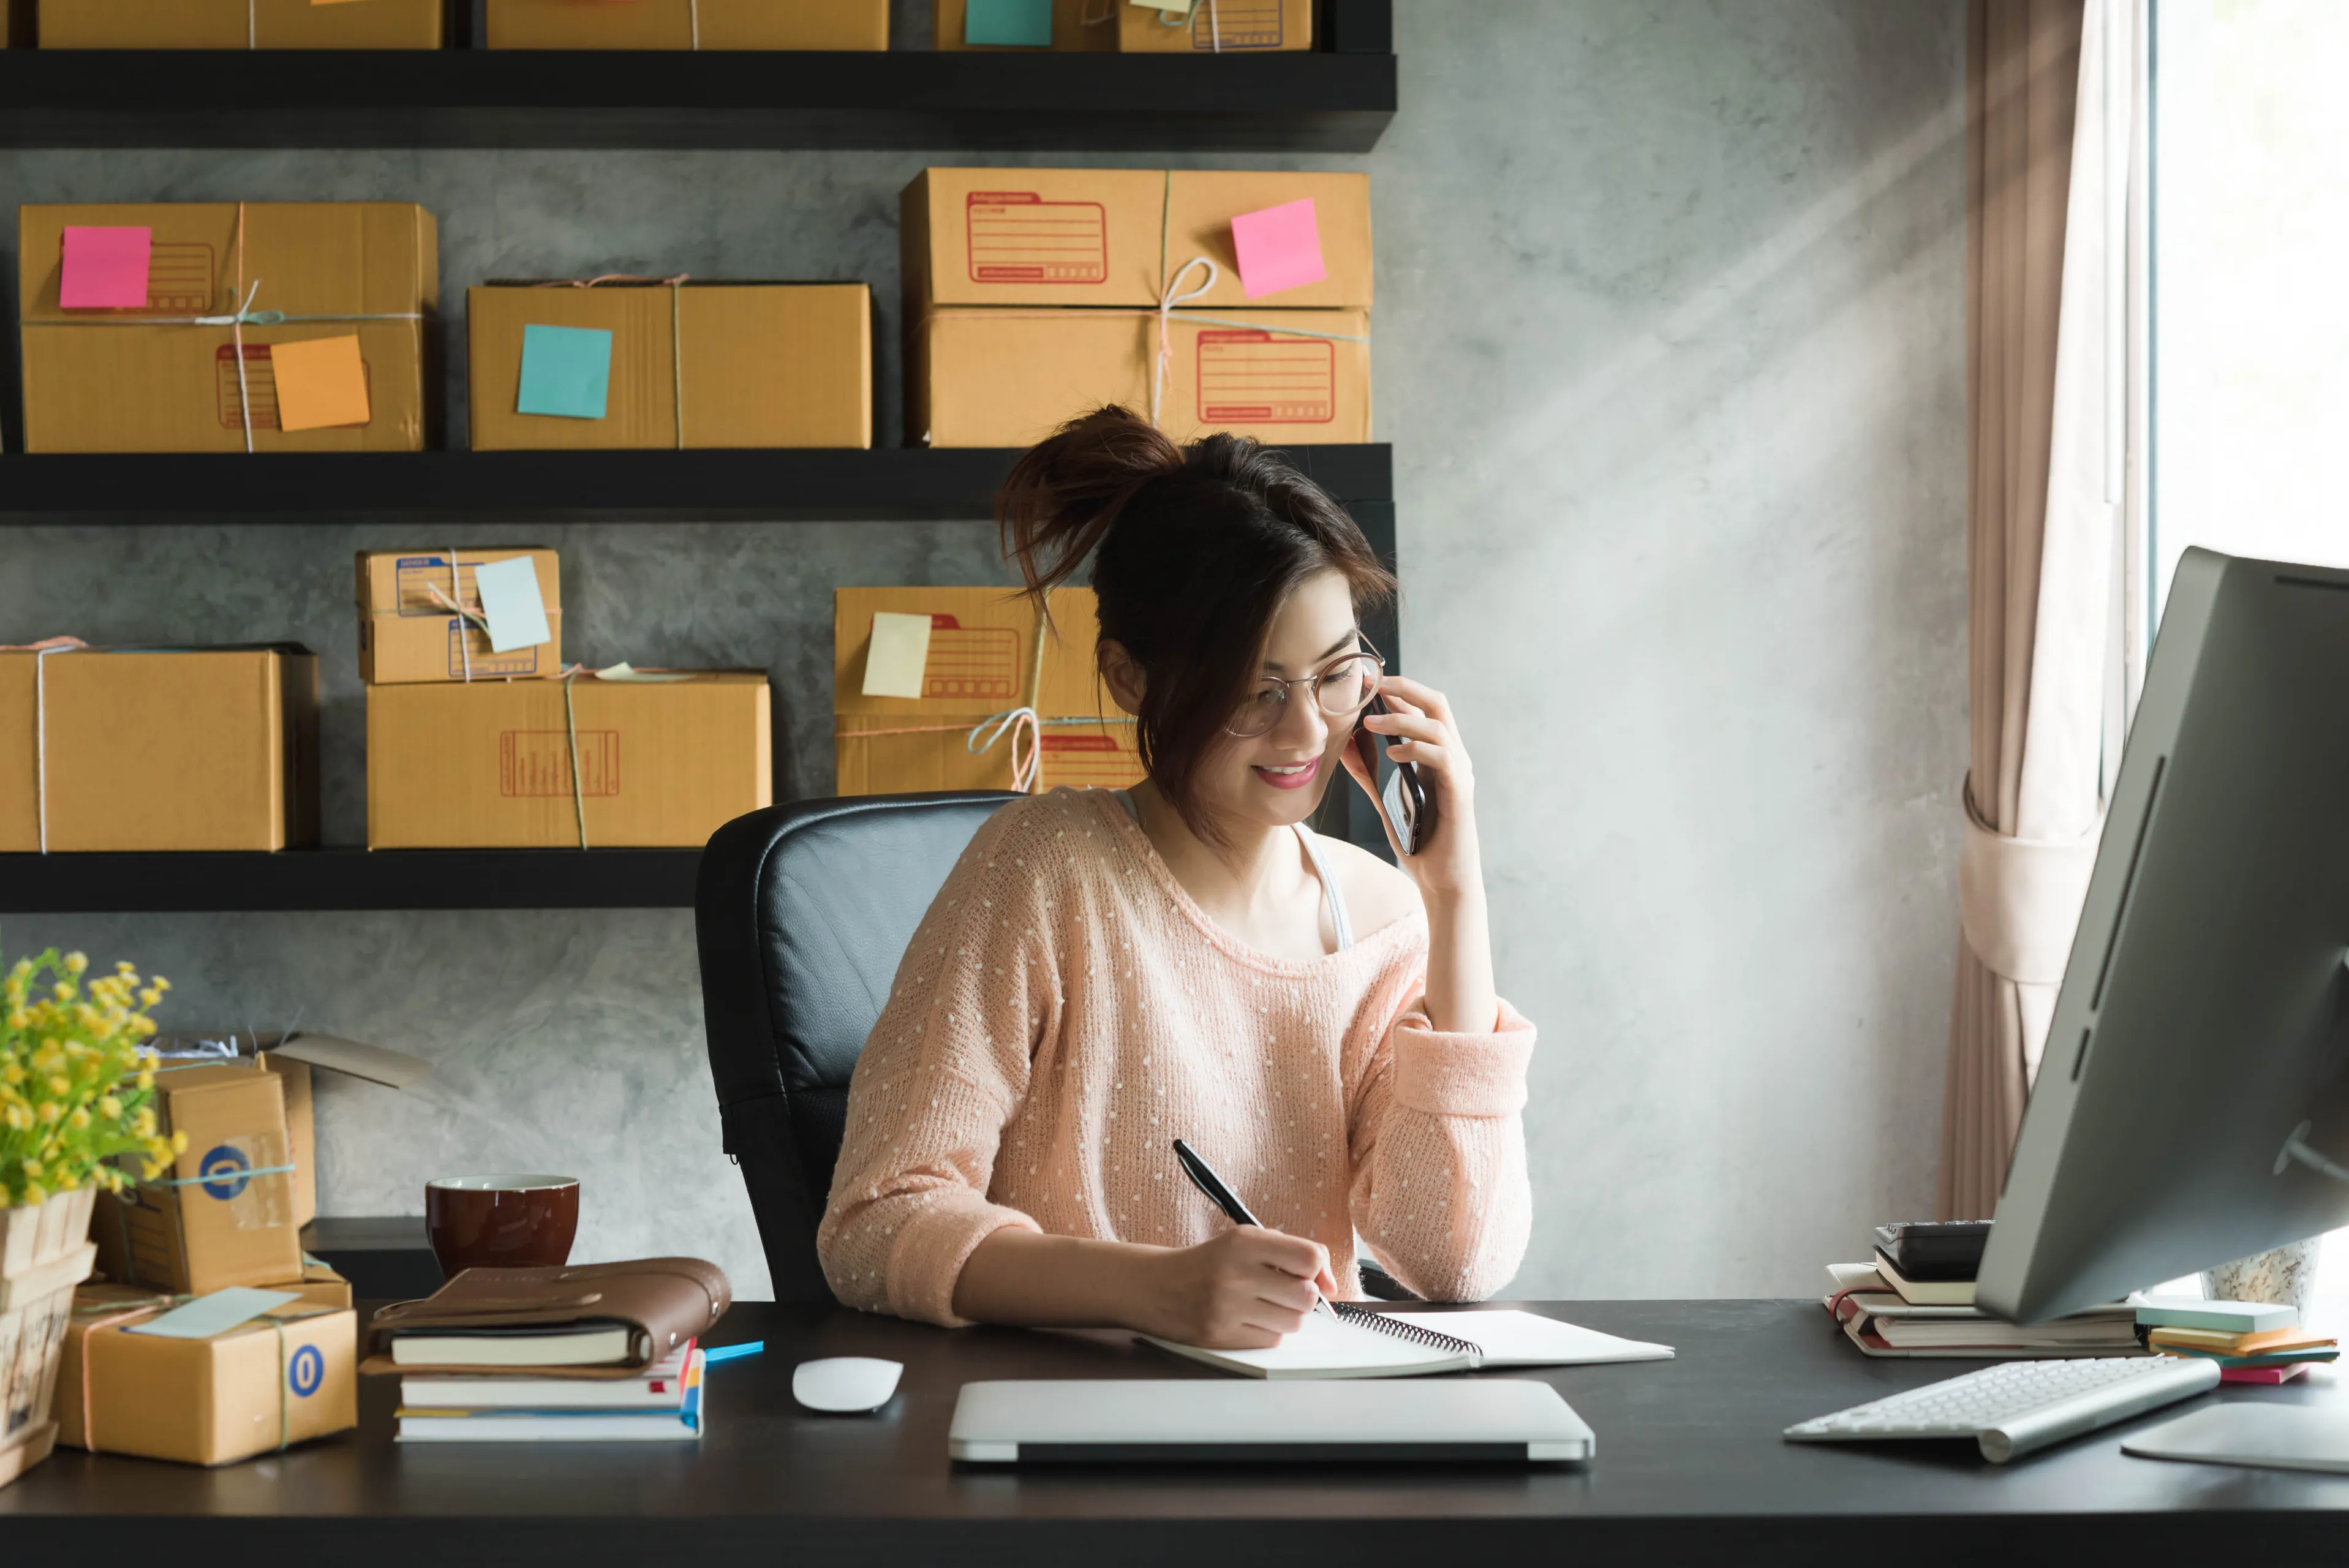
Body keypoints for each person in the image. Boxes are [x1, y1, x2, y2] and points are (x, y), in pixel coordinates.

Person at [816, 407, 1535, 1349]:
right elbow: (874, 1225)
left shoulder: (1380, 918)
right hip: (1071, 1432)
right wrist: (1149, 1289)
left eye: (1334, 675)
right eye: (1253, 686)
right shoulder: (1042, 870)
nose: (1307, 731)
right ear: (1128, 678)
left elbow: (1455, 1263)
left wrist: (1454, 898)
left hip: (1303, 1436)